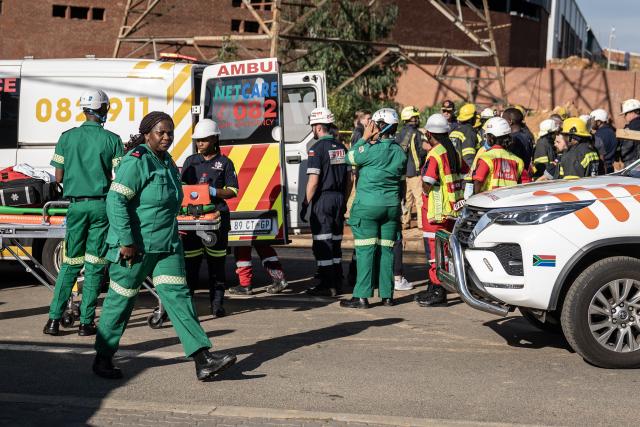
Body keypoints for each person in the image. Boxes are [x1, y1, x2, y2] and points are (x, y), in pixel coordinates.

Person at [93, 111, 236, 381]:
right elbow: (115, 201)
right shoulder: (136, 161)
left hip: (167, 246)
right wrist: (126, 241)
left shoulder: (168, 162)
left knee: (179, 299)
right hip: (136, 247)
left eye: (170, 132)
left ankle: (202, 359)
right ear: (147, 134)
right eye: (161, 132)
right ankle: (103, 357)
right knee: (120, 302)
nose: (167, 137)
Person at [43, 89, 123, 337]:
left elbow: (58, 176)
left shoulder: (66, 138)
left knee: (70, 264)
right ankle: (86, 323)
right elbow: (120, 178)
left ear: (84, 110)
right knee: (95, 265)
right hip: (101, 207)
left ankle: (54, 320)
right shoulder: (112, 139)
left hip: (75, 207)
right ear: (103, 110)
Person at [340, 108, 407, 309]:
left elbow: (349, 158)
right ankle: (387, 296)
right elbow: (402, 182)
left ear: (378, 126)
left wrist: (364, 138)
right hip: (391, 207)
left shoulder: (368, 149)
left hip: (367, 208)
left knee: (366, 251)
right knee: (387, 250)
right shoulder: (400, 152)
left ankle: (361, 296)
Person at [181, 119, 238, 318]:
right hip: (192, 221)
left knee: (216, 266)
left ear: (214, 139)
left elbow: (232, 191)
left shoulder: (225, 163)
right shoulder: (190, 162)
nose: (200, 144)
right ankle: (187, 307)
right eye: (198, 141)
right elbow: (181, 188)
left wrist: (214, 191)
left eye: (204, 140)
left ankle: (217, 305)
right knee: (191, 267)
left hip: (216, 220)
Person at [301, 107, 352, 297]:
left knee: (322, 242)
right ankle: (337, 281)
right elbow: (350, 179)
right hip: (339, 197)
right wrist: (344, 200)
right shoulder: (341, 147)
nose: (312, 130)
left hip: (323, 199)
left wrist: (306, 203)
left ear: (318, 127)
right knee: (336, 241)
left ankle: (327, 284)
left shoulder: (316, 149)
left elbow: (313, 181)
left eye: (313, 126)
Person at [417, 114, 466, 307]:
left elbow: (428, 182)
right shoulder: (453, 152)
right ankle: (434, 286)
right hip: (453, 209)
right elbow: (465, 172)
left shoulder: (435, 153)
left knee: (434, 253)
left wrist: (424, 190)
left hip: (435, 211)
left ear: (429, 133)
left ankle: (438, 291)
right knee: (445, 250)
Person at [472, 117, 529, 194]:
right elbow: (525, 185)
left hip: (489, 203)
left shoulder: (486, 158)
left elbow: (478, 182)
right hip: (510, 203)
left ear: (491, 138)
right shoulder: (518, 161)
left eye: (486, 136)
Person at [396, 106, 426, 229]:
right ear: (410, 118)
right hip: (415, 172)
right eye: (415, 117)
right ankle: (420, 223)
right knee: (419, 199)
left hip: (403, 173)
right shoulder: (417, 134)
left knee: (407, 200)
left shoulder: (399, 134)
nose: (417, 119)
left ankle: (405, 222)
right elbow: (422, 152)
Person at [449, 103, 481, 169]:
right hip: (463, 172)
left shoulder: (455, 129)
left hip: (452, 168)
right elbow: (468, 156)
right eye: (475, 115)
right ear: (470, 118)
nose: (476, 117)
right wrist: (471, 173)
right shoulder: (469, 132)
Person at [590, 109, 617, 174]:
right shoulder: (612, 132)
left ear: (599, 122)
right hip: (610, 168)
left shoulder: (598, 135)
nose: (591, 123)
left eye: (592, 121)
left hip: (601, 169)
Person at [618, 99, 640, 167]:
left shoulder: (630, 128)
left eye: (626, 114)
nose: (625, 116)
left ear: (632, 112)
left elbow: (625, 149)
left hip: (632, 165)